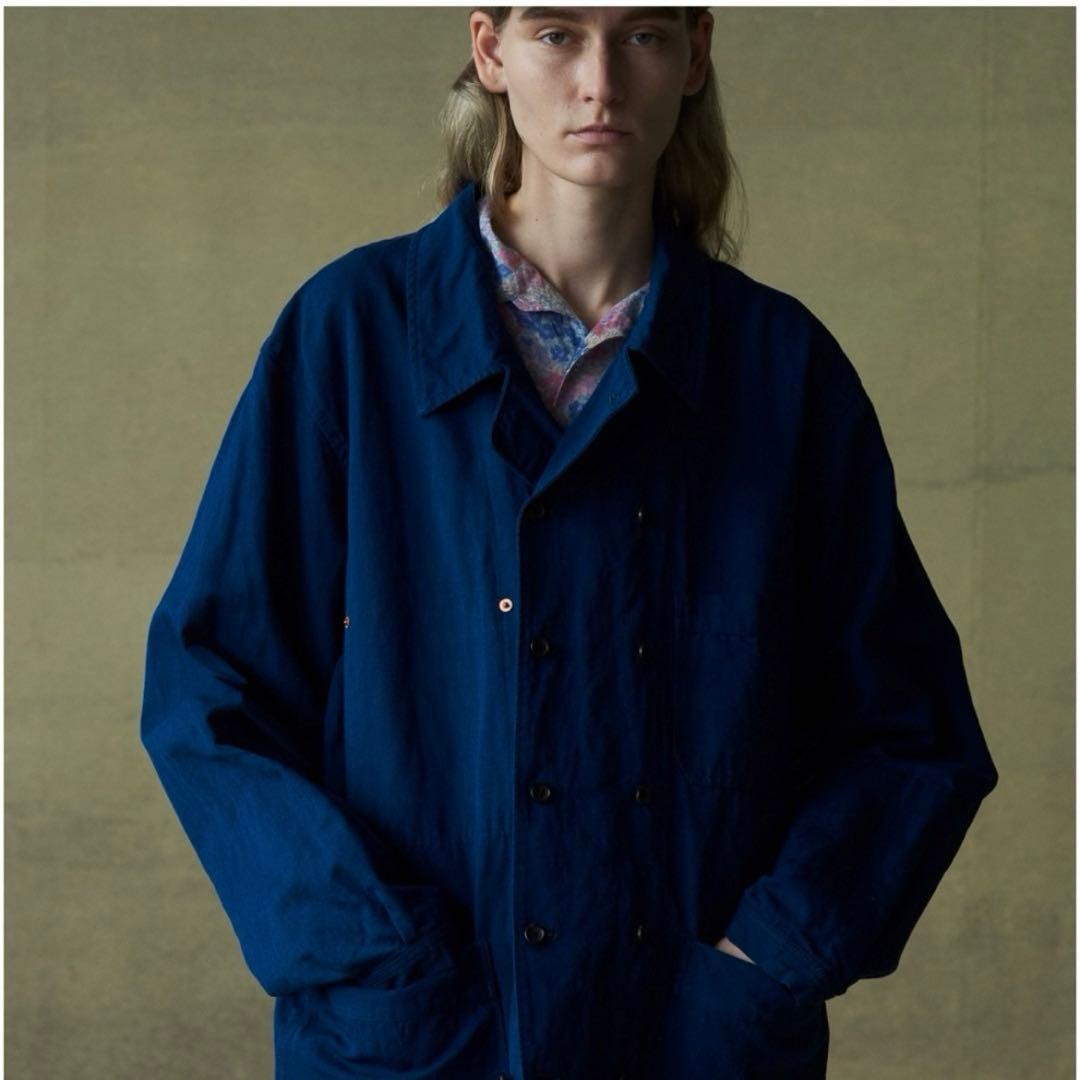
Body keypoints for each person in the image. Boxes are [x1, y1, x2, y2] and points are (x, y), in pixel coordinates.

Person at [139, 7, 1000, 1079]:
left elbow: (910, 731)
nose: (600, 81)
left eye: (642, 36)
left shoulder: (782, 372)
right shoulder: (349, 336)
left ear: (694, 55)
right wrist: (375, 954)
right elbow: (210, 689)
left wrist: (769, 958)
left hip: (687, 1047)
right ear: (490, 51)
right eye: (556, 33)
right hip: (416, 1045)